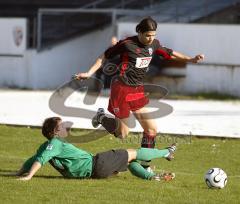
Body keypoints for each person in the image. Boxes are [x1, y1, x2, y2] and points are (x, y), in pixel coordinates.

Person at [73, 17, 204, 165]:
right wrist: (89, 73)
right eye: (148, 35)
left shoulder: (154, 44)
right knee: (123, 134)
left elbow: (171, 53)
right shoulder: (127, 44)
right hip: (121, 90)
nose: (151, 38)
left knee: (152, 129)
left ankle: (145, 165)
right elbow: (105, 55)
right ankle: (102, 117)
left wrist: (191, 59)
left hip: (137, 90)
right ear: (140, 32)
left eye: (153, 35)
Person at [13, 117, 176, 181]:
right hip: (96, 164)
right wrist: (29, 177)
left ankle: (152, 177)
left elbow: (33, 160)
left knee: (130, 161)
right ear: (55, 131)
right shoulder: (55, 144)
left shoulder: (47, 146)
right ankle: (166, 152)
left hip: (94, 171)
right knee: (132, 152)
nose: (65, 126)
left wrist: (20, 172)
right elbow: (40, 161)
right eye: (61, 125)